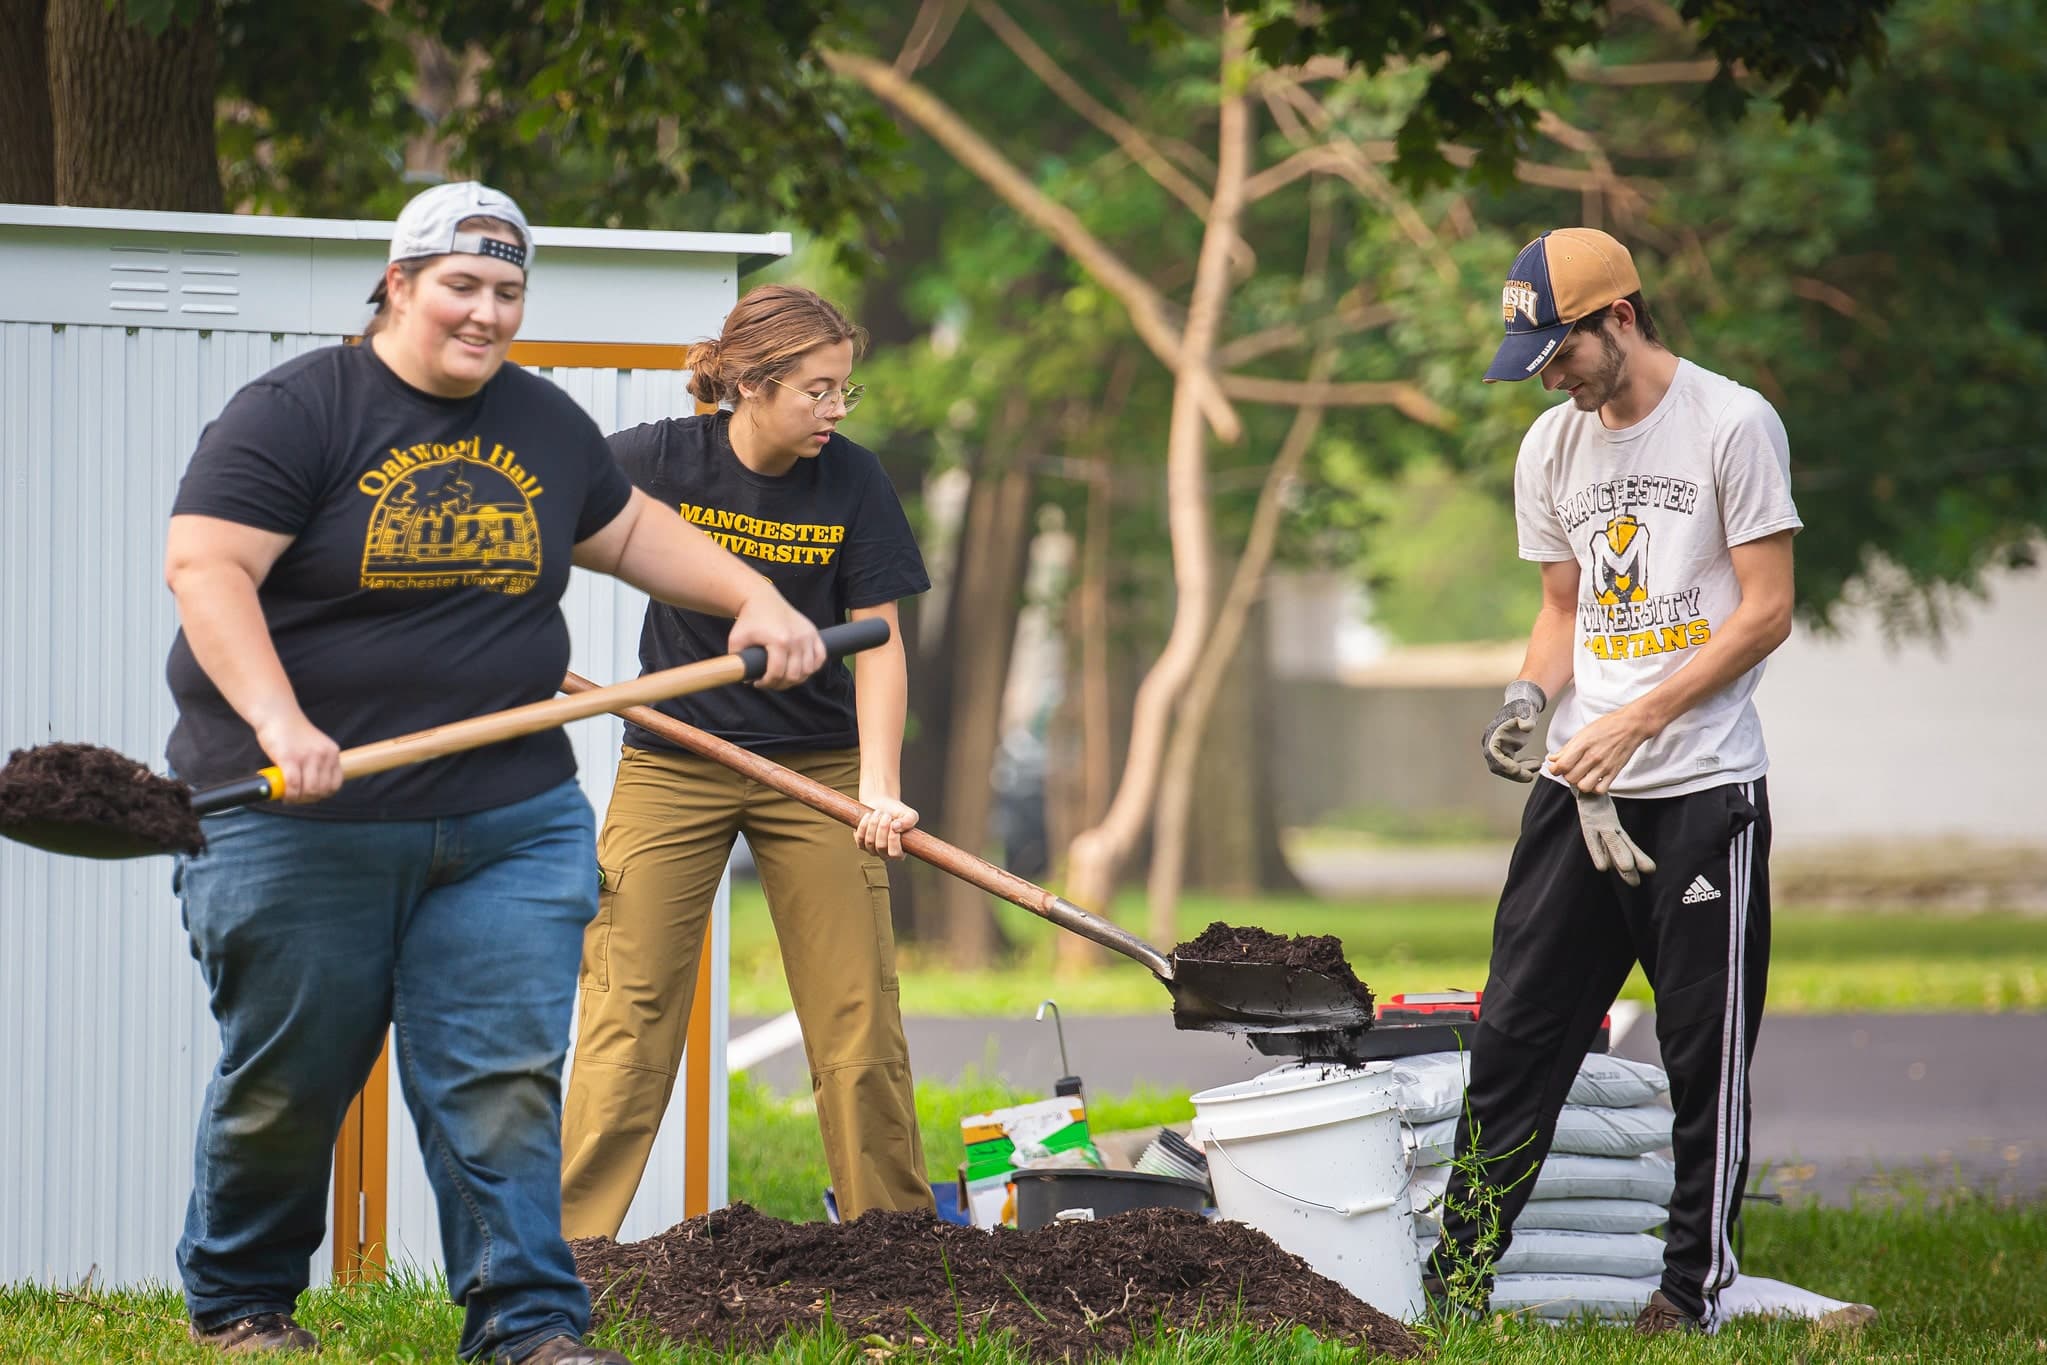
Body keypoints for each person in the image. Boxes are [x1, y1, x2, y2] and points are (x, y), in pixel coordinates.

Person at [164, 182, 824, 1365]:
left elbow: (623, 531)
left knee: (501, 1074)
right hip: (299, 811)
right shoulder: (297, 412)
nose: (485, 313)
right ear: (400, 283)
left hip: (506, 814)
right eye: (460, 286)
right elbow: (207, 566)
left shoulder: (541, 421)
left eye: (507, 290)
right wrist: (276, 720)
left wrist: (754, 595)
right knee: (290, 1079)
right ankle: (244, 1305)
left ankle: (526, 1324)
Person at [1426, 228, 1801, 1335]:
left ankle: (1690, 1294)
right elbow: (1561, 609)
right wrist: (1527, 707)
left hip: (1699, 789)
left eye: (1561, 352)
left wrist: (1635, 721)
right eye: (1534, 360)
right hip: (1580, 790)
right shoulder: (1550, 447)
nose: (1549, 376)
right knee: (1516, 1035)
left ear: (1619, 319)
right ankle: (1456, 1285)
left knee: (1700, 1055)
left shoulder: (1732, 424)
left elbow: (1766, 609)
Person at [559, 284, 935, 1237]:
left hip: (817, 768)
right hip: (675, 759)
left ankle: (892, 1237)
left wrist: (880, 787)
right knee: (628, 1006)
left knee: (857, 1018)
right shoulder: (656, 458)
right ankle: (562, 1254)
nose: (836, 411)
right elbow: (543, 519)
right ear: (751, 384)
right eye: (817, 391)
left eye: (845, 389)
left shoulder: (852, 480)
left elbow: (880, 643)